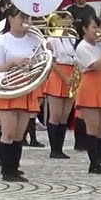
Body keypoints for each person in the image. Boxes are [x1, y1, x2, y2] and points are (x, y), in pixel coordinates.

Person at [0, 7, 41, 182]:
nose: (24, 20)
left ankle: (14, 168)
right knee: (8, 132)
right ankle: (6, 170)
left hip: (25, 87)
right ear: (10, 18)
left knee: (19, 133)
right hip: (8, 88)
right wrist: (12, 63)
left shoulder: (34, 39)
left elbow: (42, 61)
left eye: (27, 16)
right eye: (21, 16)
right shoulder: (2, 41)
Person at [73, 17, 101, 174]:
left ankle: (98, 159)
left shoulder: (100, 45)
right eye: (94, 27)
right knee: (92, 127)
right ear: (85, 29)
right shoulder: (82, 47)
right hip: (90, 83)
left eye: (98, 27)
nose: (97, 30)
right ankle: (93, 163)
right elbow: (97, 65)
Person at [42, 29, 77, 160]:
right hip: (58, 74)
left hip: (71, 71)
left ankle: (60, 148)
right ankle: (54, 149)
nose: (69, 22)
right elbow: (51, 61)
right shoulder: (52, 38)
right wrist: (64, 77)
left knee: (64, 115)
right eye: (66, 20)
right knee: (55, 115)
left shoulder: (72, 38)